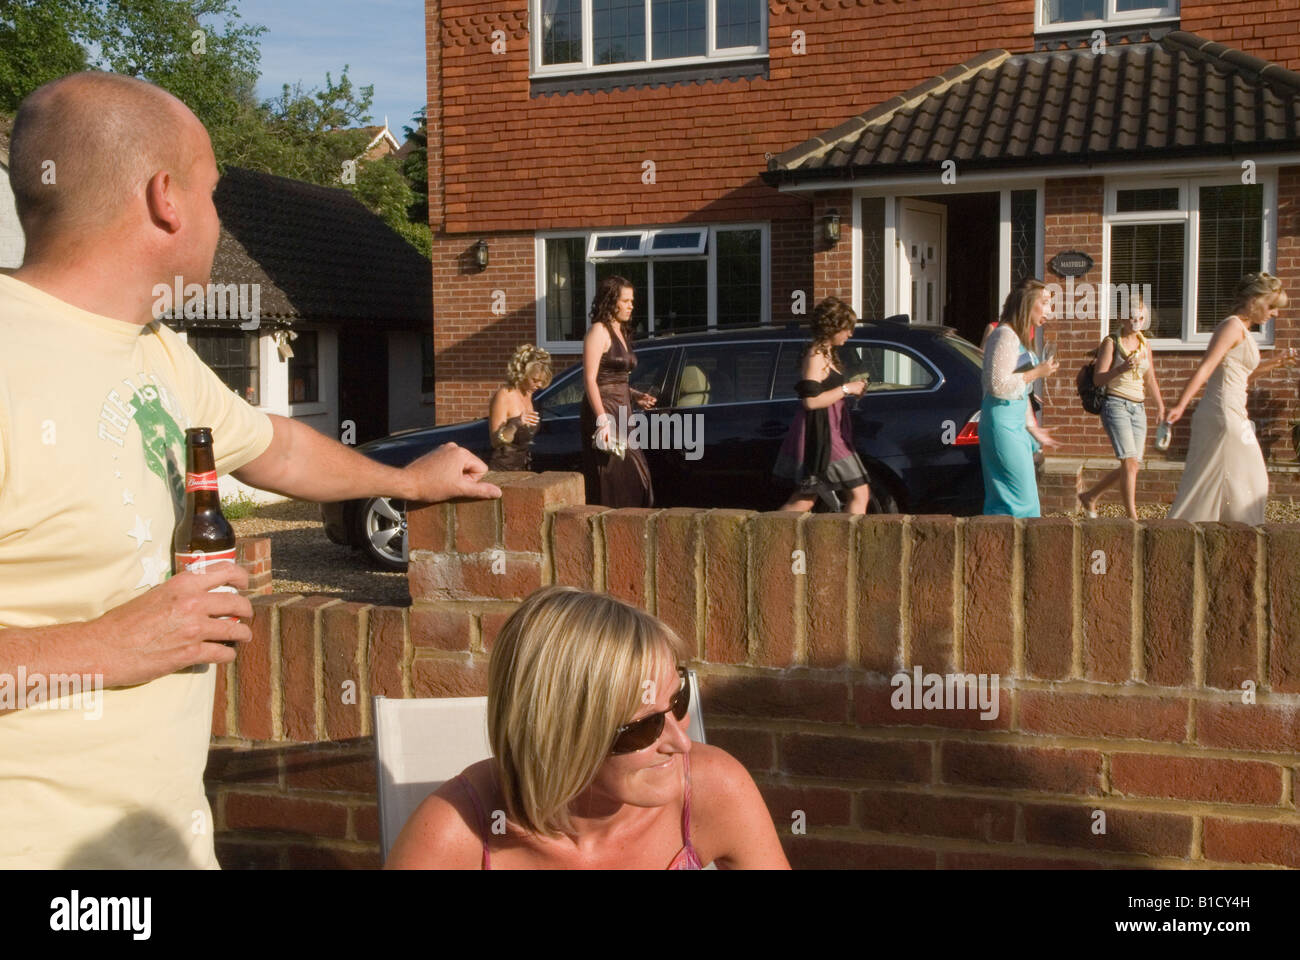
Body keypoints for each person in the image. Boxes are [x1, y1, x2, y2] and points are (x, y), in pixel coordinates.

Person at [0, 72, 500, 869]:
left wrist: (407, 481)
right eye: (211, 194)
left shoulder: (154, 349)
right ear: (166, 199)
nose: (215, 216)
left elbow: (275, 445)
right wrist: (107, 645)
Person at [385, 585, 790, 869]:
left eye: (678, 701)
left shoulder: (708, 790)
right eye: (641, 729)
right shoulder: (457, 835)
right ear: (560, 736)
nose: (682, 742)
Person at [1165, 272, 1295, 523]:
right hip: (1222, 414)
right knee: (1252, 476)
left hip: (1233, 411)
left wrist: (1276, 363)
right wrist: (1180, 404)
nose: (1274, 314)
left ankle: (1214, 530)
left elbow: (1242, 376)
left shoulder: (1243, 329)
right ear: (1254, 300)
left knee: (1226, 478)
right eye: (1271, 307)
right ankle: (1235, 530)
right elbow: (1206, 367)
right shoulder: (1232, 326)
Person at [772, 296, 872, 513]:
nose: (850, 334)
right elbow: (810, 401)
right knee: (858, 492)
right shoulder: (815, 355)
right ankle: (847, 544)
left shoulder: (828, 354)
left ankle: (766, 537)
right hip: (821, 435)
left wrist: (851, 391)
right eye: (846, 328)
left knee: (805, 499)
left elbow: (825, 394)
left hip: (832, 431)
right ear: (832, 327)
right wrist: (847, 389)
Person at [1077, 296, 1166, 519]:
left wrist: (1161, 408)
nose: (1136, 322)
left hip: (1139, 408)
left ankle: (1090, 496)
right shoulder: (1111, 342)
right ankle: (1132, 518)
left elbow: (1151, 378)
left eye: (1140, 318)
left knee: (1133, 465)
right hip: (1116, 404)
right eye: (1132, 317)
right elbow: (1098, 379)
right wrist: (1122, 368)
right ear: (1122, 318)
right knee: (1128, 461)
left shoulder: (1145, 344)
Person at [981, 278, 1060, 517]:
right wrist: (1037, 372)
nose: (1049, 311)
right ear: (1027, 304)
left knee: (1022, 500)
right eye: (1045, 303)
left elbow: (1021, 391)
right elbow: (997, 385)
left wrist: (1032, 428)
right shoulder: (1004, 336)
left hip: (1015, 425)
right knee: (1018, 503)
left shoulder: (1019, 337)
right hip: (1001, 424)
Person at [580, 275, 655, 507]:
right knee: (612, 475)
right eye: (626, 300)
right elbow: (590, 379)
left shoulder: (621, 331)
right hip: (603, 411)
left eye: (632, 300)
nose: (631, 305)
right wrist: (602, 420)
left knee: (637, 474)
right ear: (611, 301)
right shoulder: (598, 331)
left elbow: (616, 378)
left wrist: (635, 395)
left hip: (624, 409)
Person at [487, 344, 552, 471]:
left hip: (523, 467)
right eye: (535, 380)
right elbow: (495, 441)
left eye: (541, 381)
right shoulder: (505, 395)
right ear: (523, 373)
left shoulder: (529, 394)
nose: (539, 385)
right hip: (503, 469)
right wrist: (515, 424)